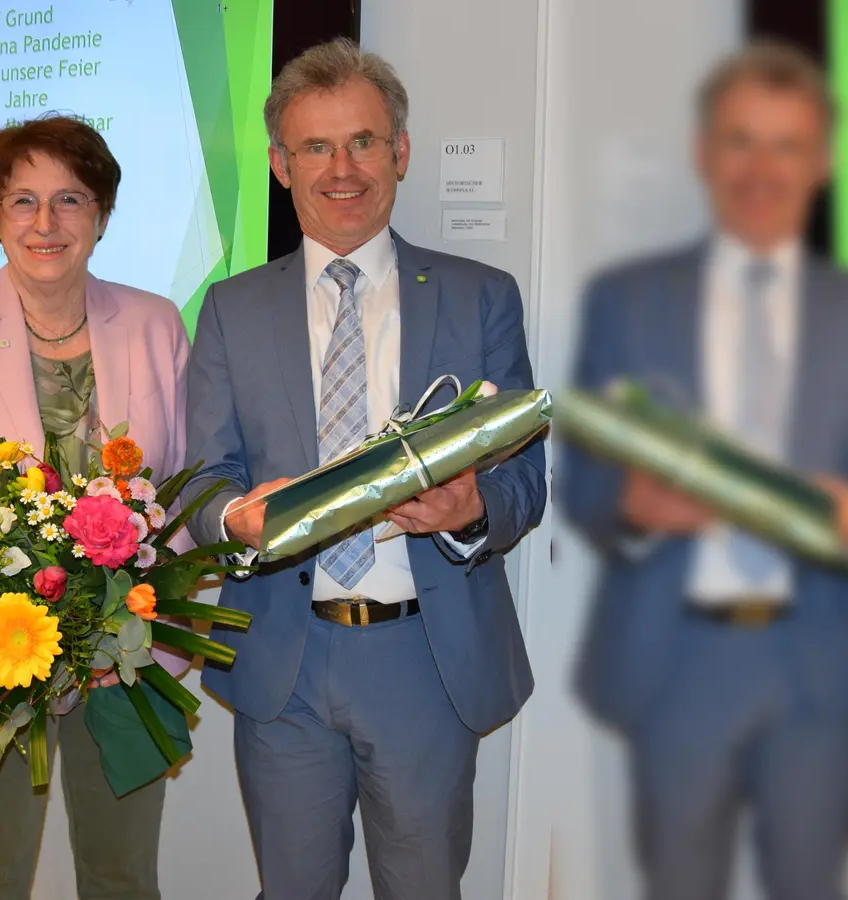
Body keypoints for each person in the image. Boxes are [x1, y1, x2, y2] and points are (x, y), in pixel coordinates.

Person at [182, 39, 547, 900]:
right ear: (279, 165)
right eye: (315, 147)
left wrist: (467, 509)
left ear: (401, 153)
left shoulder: (480, 295)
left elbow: (526, 482)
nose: (341, 169)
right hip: (285, 661)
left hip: (425, 654)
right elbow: (199, 479)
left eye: (364, 142)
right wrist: (235, 518)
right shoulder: (232, 309)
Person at [562, 41, 848, 900]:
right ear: (703, 152)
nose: (761, 169)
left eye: (787, 145)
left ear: (824, 160)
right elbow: (580, 485)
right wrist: (635, 505)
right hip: (676, 663)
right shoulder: (627, 299)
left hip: (822, 668)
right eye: (740, 140)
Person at [0, 114, 190, 900]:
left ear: (101, 213)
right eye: (23, 201)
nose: (46, 223)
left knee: (123, 873)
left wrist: (161, 626)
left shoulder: (157, 323)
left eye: (70, 199)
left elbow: (184, 487)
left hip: (122, 652)